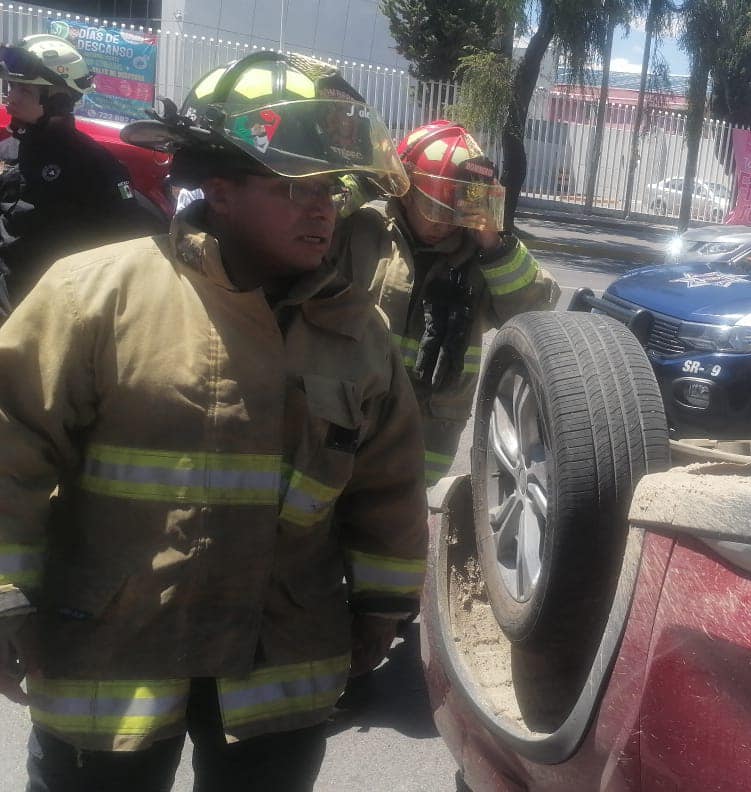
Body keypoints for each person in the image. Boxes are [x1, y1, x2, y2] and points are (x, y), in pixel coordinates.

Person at [0, 51, 426, 792]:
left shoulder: (358, 335)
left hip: (280, 668)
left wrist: (384, 605)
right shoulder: (95, 297)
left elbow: (388, 483)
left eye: (329, 188)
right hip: (113, 658)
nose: (321, 208)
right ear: (221, 191)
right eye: (293, 187)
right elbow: (10, 452)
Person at [332, 120, 559, 484]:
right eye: (434, 207)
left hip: (425, 443)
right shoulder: (362, 233)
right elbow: (302, 222)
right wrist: (364, 180)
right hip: (344, 424)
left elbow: (535, 313)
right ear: (404, 189)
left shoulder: (478, 260)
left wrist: (494, 245)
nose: (443, 224)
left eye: (453, 210)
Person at [0, 34, 162, 305]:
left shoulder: (94, 166)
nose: (11, 95)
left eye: (25, 90)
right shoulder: (10, 150)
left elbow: (121, 251)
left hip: (47, 311)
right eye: (14, 84)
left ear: (59, 102)